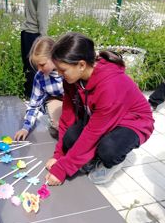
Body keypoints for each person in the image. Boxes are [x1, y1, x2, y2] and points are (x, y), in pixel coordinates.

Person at [45, 32, 154, 186]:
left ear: (81, 65)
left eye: (63, 70)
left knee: (108, 150)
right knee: (70, 138)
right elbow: (67, 118)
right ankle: (92, 157)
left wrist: (62, 169)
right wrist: (59, 155)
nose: (60, 75)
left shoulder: (110, 85)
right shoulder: (71, 80)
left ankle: (112, 163)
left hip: (132, 122)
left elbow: (93, 133)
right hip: (102, 119)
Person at [14, 36, 64, 141]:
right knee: (59, 124)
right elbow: (34, 104)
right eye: (37, 66)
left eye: (42, 65)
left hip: (74, 101)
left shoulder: (67, 68)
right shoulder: (40, 76)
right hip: (56, 99)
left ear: (54, 57)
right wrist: (26, 128)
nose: (39, 69)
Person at [21, 0, 50, 98]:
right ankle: (34, 99)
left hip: (25, 32)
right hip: (35, 33)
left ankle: (27, 97)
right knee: (37, 70)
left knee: (28, 69)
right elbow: (42, 12)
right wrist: (44, 38)